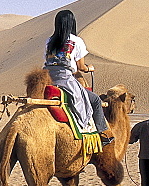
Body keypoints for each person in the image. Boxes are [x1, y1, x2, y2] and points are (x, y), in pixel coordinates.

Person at [43, 10, 112, 144]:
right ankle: (102, 134)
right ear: (72, 23)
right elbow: (80, 67)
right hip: (65, 79)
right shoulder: (76, 41)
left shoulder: (49, 41)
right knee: (95, 100)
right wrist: (89, 68)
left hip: (47, 78)